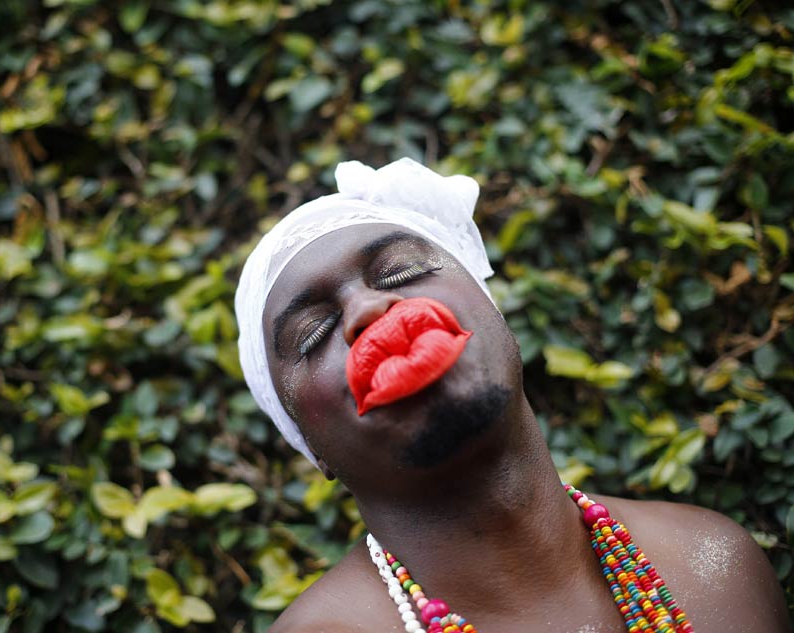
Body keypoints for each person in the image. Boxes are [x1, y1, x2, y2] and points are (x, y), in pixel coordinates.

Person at [234, 158, 789, 632]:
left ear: (493, 310)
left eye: (401, 273)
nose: (370, 310)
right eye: (312, 333)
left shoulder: (715, 563)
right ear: (310, 446)